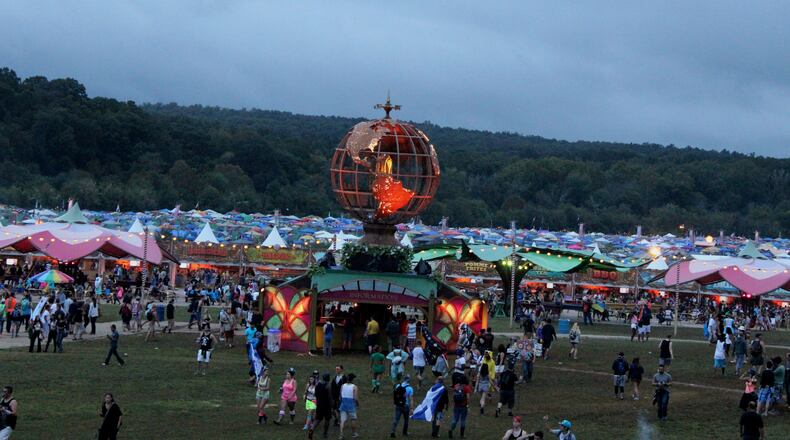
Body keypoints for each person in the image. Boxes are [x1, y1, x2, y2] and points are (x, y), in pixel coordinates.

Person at [312, 373, 333, 440]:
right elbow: (330, 397)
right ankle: (325, 433)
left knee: (317, 419)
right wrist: (332, 406)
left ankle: (311, 431)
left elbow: (315, 394)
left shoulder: (318, 384)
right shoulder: (328, 386)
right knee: (327, 420)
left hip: (319, 405)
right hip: (327, 406)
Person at [338, 373, 359, 440]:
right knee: (353, 419)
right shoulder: (354, 387)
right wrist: (357, 404)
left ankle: (341, 435)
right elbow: (355, 398)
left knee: (342, 420)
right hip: (351, 405)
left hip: (343, 405)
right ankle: (354, 433)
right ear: (352, 379)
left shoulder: (342, 386)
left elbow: (340, 397)